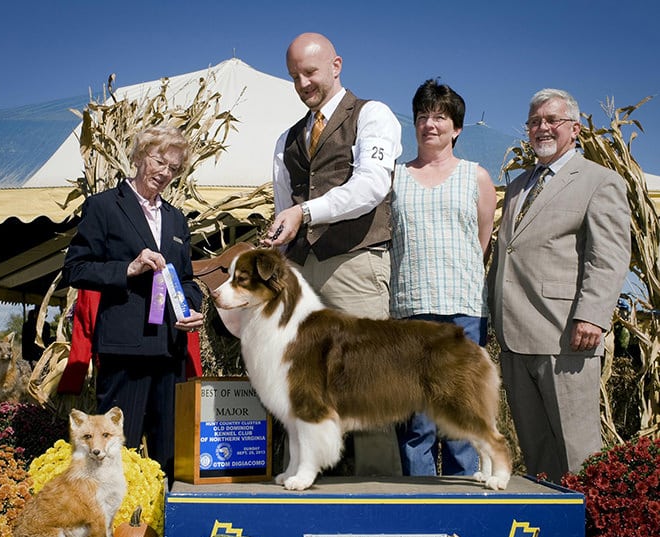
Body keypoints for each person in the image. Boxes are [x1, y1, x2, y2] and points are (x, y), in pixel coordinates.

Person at [264, 32, 403, 476]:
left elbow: (371, 186)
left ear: (336, 65)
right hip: (302, 273)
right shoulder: (286, 139)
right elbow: (283, 209)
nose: (302, 83)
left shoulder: (372, 115)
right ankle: (308, 487)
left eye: (310, 72)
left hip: (355, 265)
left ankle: (381, 494)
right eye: (294, 76)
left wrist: (305, 212)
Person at [487, 88, 631, 484]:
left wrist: (592, 316)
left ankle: (589, 523)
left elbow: (608, 256)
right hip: (515, 339)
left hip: (568, 336)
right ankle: (547, 522)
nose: (542, 128)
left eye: (552, 120)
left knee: (578, 454)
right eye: (534, 122)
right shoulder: (518, 186)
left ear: (575, 128)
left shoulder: (600, 181)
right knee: (537, 457)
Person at [62, 124, 204, 480]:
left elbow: (186, 279)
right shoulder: (103, 206)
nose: (165, 173)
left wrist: (190, 307)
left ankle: (164, 513)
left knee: (169, 458)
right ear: (140, 156)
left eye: (174, 168)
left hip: (170, 351)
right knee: (113, 456)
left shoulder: (176, 219)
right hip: (125, 351)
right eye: (159, 162)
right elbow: (75, 268)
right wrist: (128, 268)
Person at [389, 79, 497, 477]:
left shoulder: (476, 177)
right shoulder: (394, 178)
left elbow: (481, 240)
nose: (429, 124)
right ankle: (420, 501)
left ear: (456, 128)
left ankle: (462, 500)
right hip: (410, 310)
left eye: (440, 117)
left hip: (462, 311)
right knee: (416, 422)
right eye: (422, 116)